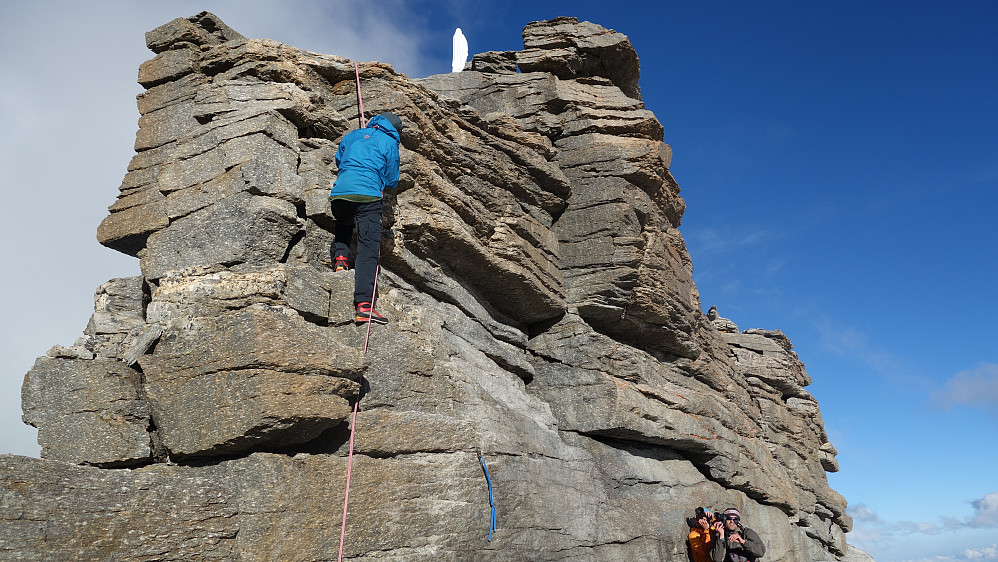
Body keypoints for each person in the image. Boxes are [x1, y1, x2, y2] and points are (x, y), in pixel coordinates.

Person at [328, 112, 402, 325]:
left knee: (343, 222)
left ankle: (340, 260)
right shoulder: (389, 143)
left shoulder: (353, 134)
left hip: (340, 192)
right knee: (368, 248)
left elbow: (339, 159)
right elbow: (392, 179)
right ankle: (364, 306)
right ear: (395, 130)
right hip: (368, 195)